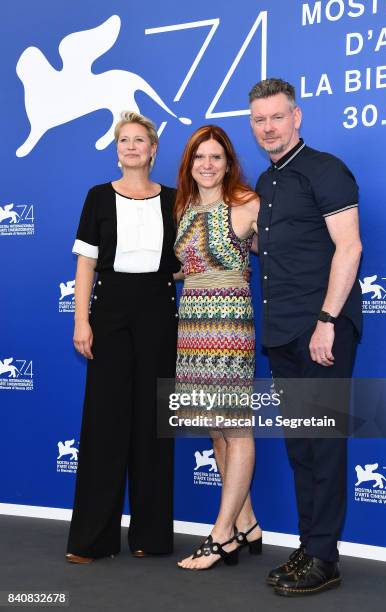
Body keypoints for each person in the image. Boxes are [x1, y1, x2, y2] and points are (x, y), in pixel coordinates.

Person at [249, 79, 362, 596]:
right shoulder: (267, 183)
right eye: (258, 120)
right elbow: (278, 254)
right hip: (282, 333)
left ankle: (325, 557)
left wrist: (326, 321)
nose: (268, 128)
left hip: (322, 332)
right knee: (300, 446)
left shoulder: (326, 170)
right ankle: (310, 545)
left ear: (296, 116)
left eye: (276, 117)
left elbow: (349, 248)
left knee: (323, 443)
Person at [66, 111, 180, 563]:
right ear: (117, 151)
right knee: (105, 421)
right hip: (109, 310)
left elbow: (180, 263)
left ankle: (150, 537)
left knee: (154, 422)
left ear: (153, 149)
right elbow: (86, 265)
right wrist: (81, 320)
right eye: (123, 141)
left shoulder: (174, 199)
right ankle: (92, 540)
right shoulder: (97, 197)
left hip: (157, 307)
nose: (131, 147)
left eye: (139, 141)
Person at [174, 125, 262, 570]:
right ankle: (247, 522)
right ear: (189, 164)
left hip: (228, 324)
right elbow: (182, 266)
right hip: (190, 322)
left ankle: (222, 533)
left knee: (236, 426)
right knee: (216, 427)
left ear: (229, 163)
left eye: (215, 157)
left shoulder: (245, 204)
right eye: (199, 158)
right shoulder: (184, 207)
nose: (207, 165)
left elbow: (278, 252)